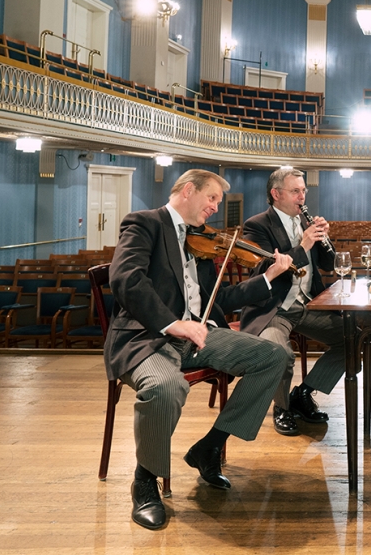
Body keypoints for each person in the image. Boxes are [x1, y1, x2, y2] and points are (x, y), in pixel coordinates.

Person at [104, 169, 292, 530]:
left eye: (217, 202)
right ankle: (145, 479)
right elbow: (126, 279)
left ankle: (209, 446)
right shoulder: (145, 223)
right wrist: (172, 323)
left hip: (197, 336)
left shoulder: (198, 240)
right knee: (165, 386)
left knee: (273, 355)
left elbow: (219, 298)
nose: (215, 208)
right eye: (211, 199)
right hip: (148, 338)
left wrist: (268, 277)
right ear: (189, 190)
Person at [239, 167, 345, 437]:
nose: (302, 196)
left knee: (354, 337)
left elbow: (329, 265)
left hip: (309, 304)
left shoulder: (305, 224)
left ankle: (305, 392)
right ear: (276, 194)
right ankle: (282, 406)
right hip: (275, 308)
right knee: (280, 353)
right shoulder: (257, 225)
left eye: (304, 190)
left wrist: (323, 240)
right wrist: (304, 244)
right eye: (296, 191)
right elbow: (265, 269)